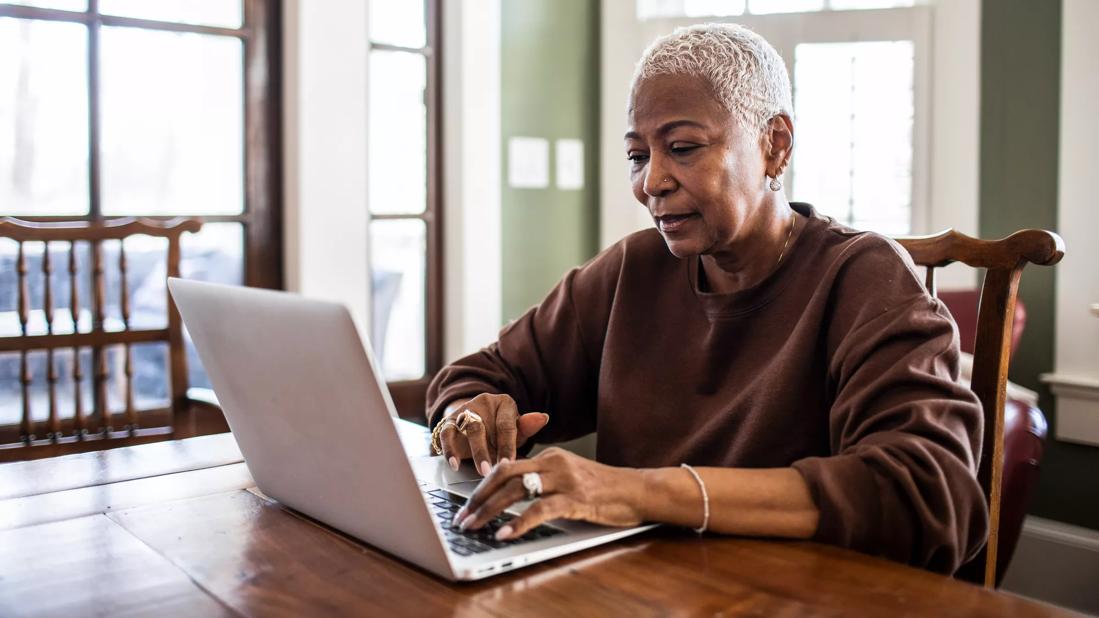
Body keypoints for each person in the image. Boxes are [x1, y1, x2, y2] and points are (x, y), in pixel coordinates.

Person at [425, 23, 988, 574]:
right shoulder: (633, 270)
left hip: (791, 595)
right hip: (645, 586)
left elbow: (927, 495)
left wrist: (638, 491)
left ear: (774, 146)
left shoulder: (864, 277)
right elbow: (481, 374)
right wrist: (469, 412)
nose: (652, 182)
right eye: (638, 155)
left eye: (683, 148)